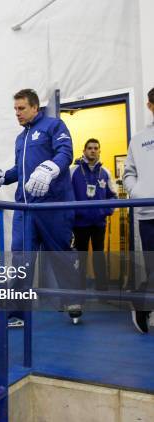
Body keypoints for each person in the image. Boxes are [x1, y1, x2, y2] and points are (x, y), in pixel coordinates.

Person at [0, 89, 79, 326]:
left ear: (35, 107)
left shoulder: (53, 126)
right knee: (20, 260)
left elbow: (66, 153)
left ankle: (73, 299)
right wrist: (1, 177)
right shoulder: (21, 138)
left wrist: (50, 168)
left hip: (52, 206)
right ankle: (17, 313)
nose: (17, 113)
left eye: (22, 108)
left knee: (60, 255)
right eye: (15, 109)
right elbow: (21, 169)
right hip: (25, 207)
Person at [123, 87, 154, 334]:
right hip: (149, 214)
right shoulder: (140, 139)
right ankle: (142, 303)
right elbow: (128, 173)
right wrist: (139, 192)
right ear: (150, 106)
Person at [70, 139, 117, 291]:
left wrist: (106, 211)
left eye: (96, 148)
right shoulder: (73, 171)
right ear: (84, 151)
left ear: (99, 151)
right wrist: (74, 214)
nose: (93, 150)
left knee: (99, 257)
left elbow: (114, 196)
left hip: (98, 223)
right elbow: (66, 195)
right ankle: (80, 291)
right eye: (89, 148)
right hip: (79, 224)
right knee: (80, 258)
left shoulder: (105, 173)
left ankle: (102, 290)